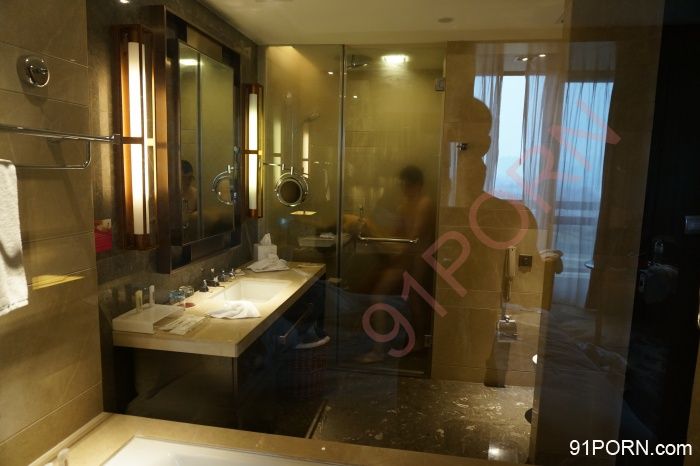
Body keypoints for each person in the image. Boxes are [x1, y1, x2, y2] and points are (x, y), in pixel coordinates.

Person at [349, 165, 435, 363]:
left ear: (418, 185)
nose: (405, 189)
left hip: (417, 260)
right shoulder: (404, 206)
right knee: (380, 296)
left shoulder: (425, 204)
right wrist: (373, 231)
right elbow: (397, 235)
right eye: (403, 185)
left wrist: (390, 247)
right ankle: (384, 346)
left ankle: (413, 342)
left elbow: (413, 237)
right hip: (404, 259)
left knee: (412, 300)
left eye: (408, 185)